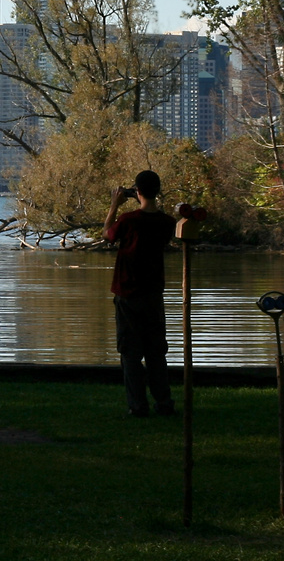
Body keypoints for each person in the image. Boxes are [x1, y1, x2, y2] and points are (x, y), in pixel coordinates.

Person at [104, 169, 178, 418]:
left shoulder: (128, 220)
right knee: (156, 352)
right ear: (158, 191)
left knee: (130, 353)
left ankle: (137, 406)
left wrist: (114, 205)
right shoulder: (168, 223)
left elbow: (108, 235)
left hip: (127, 293)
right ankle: (164, 402)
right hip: (153, 295)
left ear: (136, 191)